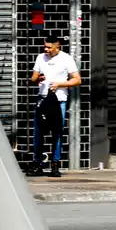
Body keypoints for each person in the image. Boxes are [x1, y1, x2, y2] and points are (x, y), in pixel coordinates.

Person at [28, 36, 81, 177]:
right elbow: (33, 78)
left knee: (56, 133)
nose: (46, 49)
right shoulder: (40, 58)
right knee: (38, 132)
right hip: (42, 98)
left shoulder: (66, 59)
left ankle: (55, 164)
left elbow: (77, 80)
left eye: (49, 47)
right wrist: (37, 79)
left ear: (57, 47)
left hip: (59, 100)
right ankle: (37, 163)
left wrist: (59, 84)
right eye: (45, 46)